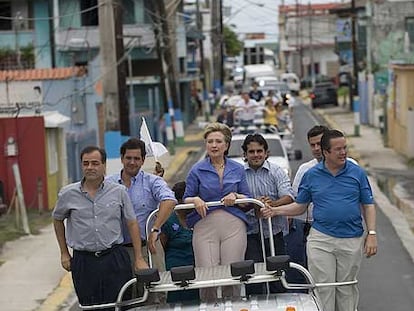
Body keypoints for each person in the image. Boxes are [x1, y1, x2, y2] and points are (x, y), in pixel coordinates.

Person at [261, 129, 378, 311]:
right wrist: (275, 211)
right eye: (338, 149)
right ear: (326, 152)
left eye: (344, 148)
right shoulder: (311, 174)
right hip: (321, 239)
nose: (343, 152)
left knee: (346, 288)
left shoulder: (357, 173)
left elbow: (368, 205)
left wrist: (371, 233)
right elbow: (300, 206)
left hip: (351, 239)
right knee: (323, 287)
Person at [52, 146, 148, 308]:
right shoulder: (67, 194)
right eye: (86, 163)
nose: (90, 167)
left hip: (114, 258)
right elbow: (57, 220)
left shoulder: (119, 192)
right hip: (84, 262)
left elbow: (132, 223)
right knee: (90, 306)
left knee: (120, 304)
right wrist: (64, 253)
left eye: (95, 163)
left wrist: (138, 257)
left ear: (104, 165)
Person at [183, 122, 251, 302]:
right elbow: (186, 198)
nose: (214, 145)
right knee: (207, 276)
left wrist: (236, 195)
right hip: (205, 225)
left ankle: (233, 306)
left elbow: (248, 198)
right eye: (210, 141)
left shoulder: (237, 168)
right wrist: (196, 200)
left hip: (233, 225)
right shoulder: (196, 169)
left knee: (232, 274)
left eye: (218, 141)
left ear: (226, 145)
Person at [106, 138, 177, 269]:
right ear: (121, 158)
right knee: (124, 289)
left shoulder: (152, 182)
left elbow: (170, 200)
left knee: (157, 288)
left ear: (143, 160)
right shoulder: (107, 184)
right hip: (118, 252)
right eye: (128, 158)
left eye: (137, 158)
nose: (132, 162)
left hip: (149, 248)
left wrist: (155, 229)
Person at [241, 133, 294, 295]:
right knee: (254, 279)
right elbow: (235, 202)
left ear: (266, 153)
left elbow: (289, 196)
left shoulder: (277, 171)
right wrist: (253, 203)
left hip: (275, 233)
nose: (256, 155)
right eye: (251, 151)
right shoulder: (238, 174)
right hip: (249, 234)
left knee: (277, 276)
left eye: (259, 151)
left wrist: (271, 205)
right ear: (245, 154)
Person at [284, 125, 329, 284]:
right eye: (312, 145)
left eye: (320, 143)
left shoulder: (349, 166)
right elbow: (296, 199)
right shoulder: (304, 169)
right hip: (307, 228)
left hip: (337, 231)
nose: (316, 148)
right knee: (304, 272)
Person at [160, 181, 199, 303]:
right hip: (175, 267)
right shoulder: (169, 220)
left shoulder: (199, 216)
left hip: (197, 268)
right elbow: (162, 246)